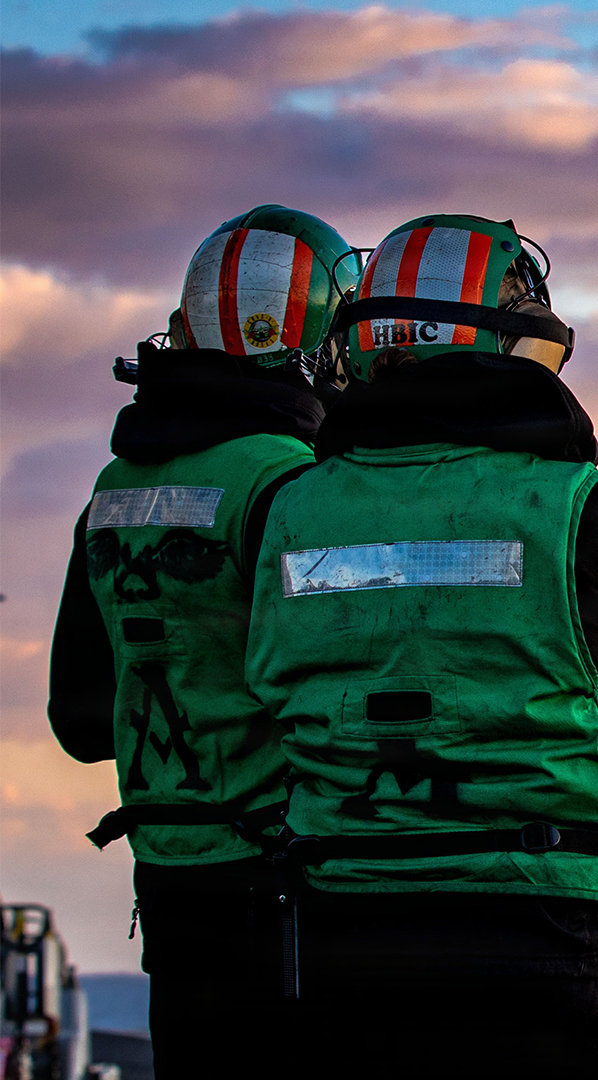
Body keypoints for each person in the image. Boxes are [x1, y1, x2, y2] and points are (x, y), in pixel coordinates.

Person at [246, 213, 598, 1079]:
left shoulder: (285, 511)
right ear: (507, 343)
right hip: (550, 926)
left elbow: (263, 686)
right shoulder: (586, 511)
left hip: (347, 924)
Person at [46, 205, 359, 1079]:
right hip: (295, 894)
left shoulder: (110, 492)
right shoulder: (293, 486)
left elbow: (79, 721)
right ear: (318, 343)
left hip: (171, 884)